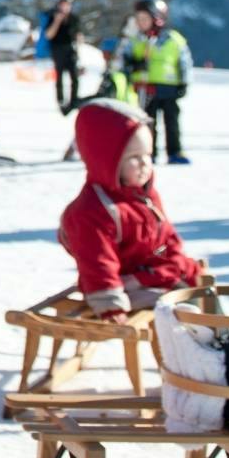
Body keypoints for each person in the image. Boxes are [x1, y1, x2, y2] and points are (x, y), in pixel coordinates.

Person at [58, 99, 203, 320]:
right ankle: (197, 344)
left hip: (149, 272)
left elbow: (164, 237)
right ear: (106, 160)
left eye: (147, 155)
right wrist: (110, 303)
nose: (145, 164)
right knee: (181, 305)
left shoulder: (144, 196)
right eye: (134, 158)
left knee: (202, 290)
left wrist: (173, 258)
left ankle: (221, 340)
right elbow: (98, 262)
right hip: (125, 284)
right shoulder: (92, 211)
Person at [125, 0, 191, 165]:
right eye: (138, 19)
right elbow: (125, 60)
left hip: (169, 86)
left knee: (171, 121)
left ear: (156, 18)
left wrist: (184, 82)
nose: (141, 23)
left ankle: (174, 151)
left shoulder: (173, 39)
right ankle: (149, 152)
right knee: (148, 122)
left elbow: (184, 61)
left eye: (145, 19)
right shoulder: (136, 39)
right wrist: (135, 65)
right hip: (145, 87)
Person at [45, 0, 82, 113]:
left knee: (74, 77)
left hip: (71, 50)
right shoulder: (52, 17)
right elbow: (48, 35)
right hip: (57, 50)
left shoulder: (74, 19)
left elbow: (78, 34)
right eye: (62, 5)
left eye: (67, 5)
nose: (64, 7)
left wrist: (79, 42)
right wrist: (57, 21)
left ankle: (74, 100)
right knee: (59, 76)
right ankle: (60, 100)